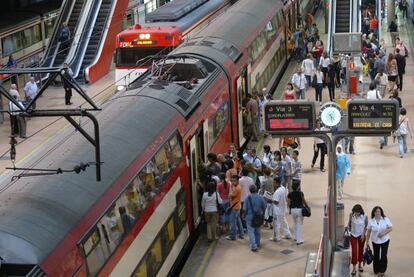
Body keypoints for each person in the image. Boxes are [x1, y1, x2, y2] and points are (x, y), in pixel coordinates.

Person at [365, 206, 393, 277]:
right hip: (375, 241)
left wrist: (383, 233)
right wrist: (367, 241)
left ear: (381, 212)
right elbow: (368, 232)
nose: (377, 213)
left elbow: (390, 228)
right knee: (376, 256)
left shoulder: (385, 219)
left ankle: (382, 270)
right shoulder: (371, 221)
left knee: (383, 255)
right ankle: (376, 269)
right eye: (376, 212)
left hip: (385, 241)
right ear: (373, 213)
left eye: (379, 211)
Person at [244, 185, 266, 252]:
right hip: (259, 216)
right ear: (256, 189)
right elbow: (264, 207)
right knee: (258, 231)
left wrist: (244, 215)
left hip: (250, 217)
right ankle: (258, 243)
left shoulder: (247, 198)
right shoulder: (261, 197)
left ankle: (254, 246)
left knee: (251, 231)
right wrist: (263, 214)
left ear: (250, 190)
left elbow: (245, 209)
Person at [347, 204, 368, 275]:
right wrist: (348, 227)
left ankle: (360, 265)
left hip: (361, 236)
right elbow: (349, 223)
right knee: (354, 251)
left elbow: (366, 226)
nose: (356, 213)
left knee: (360, 250)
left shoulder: (364, 216)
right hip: (353, 235)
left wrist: (363, 234)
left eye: (358, 212)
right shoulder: (351, 214)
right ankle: (353, 268)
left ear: (360, 211)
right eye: (355, 212)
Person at [270, 177, 292, 241]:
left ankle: (276, 237)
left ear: (277, 183)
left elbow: (276, 202)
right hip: (283, 209)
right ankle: (288, 234)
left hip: (277, 210)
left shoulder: (277, 192)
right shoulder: (283, 188)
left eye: (274, 182)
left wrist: (270, 200)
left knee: (276, 224)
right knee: (283, 222)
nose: (273, 184)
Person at [287, 180, 307, 245]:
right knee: (299, 224)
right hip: (299, 210)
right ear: (298, 187)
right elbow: (304, 201)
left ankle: (295, 237)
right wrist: (307, 206)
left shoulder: (290, 194)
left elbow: (289, 203)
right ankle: (299, 240)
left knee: (295, 223)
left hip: (293, 210)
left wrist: (290, 209)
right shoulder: (300, 193)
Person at [226, 175, 244, 241]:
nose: (233, 182)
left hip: (235, 207)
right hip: (237, 206)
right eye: (232, 181)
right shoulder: (237, 187)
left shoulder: (237, 188)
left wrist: (230, 193)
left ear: (237, 181)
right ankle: (241, 234)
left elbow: (230, 196)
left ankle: (233, 236)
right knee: (238, 221)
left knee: (233, 222)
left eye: (234, 181)